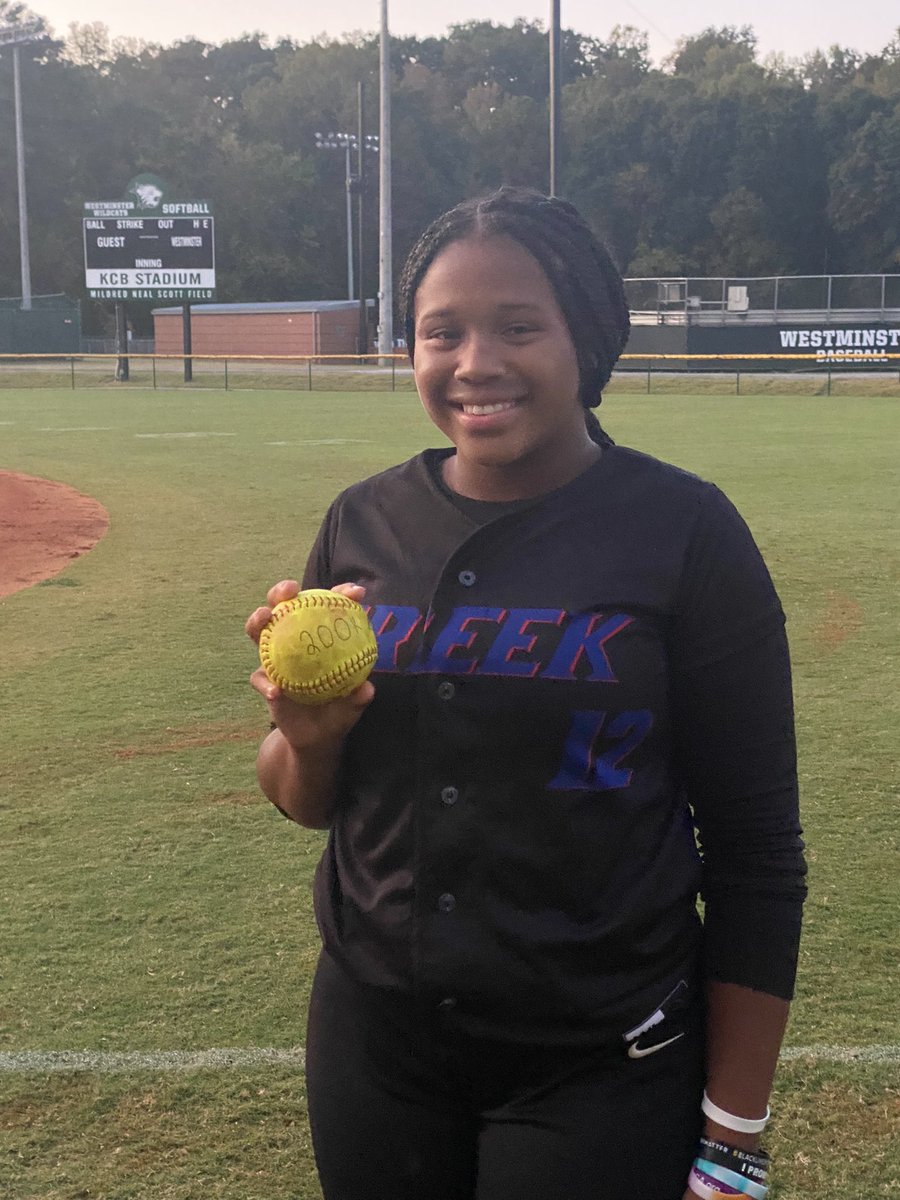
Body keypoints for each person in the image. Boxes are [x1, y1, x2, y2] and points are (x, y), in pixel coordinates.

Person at [245, 186, 806, 1200]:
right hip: (376, 1047)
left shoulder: (684, 532)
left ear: (584, 335)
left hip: (600, 1057)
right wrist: (308, 736)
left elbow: (758, 850)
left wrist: (733, 1134)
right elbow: (304, 798)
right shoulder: (364, 522)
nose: (475, 364)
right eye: (441, 332)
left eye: (517, 327)